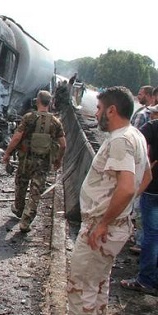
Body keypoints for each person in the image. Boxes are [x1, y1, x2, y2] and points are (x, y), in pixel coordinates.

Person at [66, 86, 152, 314]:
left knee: (80, 289)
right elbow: (147, 176)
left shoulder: (120, 140)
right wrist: (123, 210)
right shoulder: (137, 135)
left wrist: (104, 222)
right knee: (98, 286)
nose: (96, 113)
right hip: (115, 225)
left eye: (99, 108)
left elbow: (125, 188)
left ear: (111, 110)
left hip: (101, 227)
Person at [2, 90, 67, 232]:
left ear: (37, 101)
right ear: (50, 103)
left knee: (21, 184)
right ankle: (25, 222)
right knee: (35, 192)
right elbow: (63, 144)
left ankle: (19, 209)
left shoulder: (29, 118)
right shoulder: (56, 122)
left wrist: (7, 153)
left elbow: (17, 137)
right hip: (43, 163)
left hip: (26, 160)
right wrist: (58, 160)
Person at [120, 104, 158, 296]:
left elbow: (132, 142)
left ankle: (146, 280)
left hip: (153, 191)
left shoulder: (152, 127)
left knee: (151, 235)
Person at [130, 85, 155, 253]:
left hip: (150, 183)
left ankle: (140, 242)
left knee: (144, 216)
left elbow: (134, 145)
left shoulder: (146, 122)